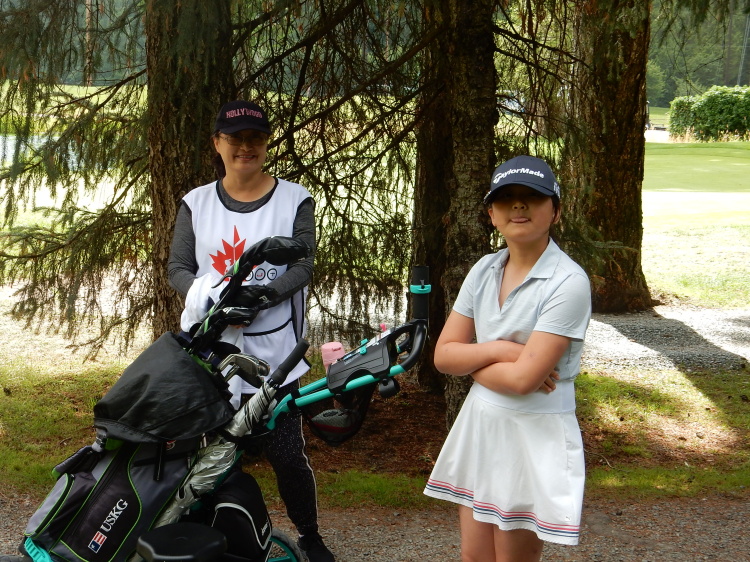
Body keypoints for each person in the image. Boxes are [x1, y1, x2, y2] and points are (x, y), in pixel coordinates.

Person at [168, 100, 335, 562]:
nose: (246, 147)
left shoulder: (294, 199)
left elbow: (303, 264)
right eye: (235, 138)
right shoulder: (196, 203)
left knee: (286, 452)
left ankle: (309, 535)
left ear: (266, 143)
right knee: (208, 451)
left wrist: (261, 297)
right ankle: (205, 531)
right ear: (217, 143)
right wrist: (216, 301)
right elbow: (178, 267)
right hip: (212, 351)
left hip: (274, 352)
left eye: (255, 138)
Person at [424, 155, 591, 561]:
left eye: (532, 196)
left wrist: (471, 360)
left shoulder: (568, 281)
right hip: (482, 422)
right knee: (474, 556)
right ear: (491, 214)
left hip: (533, 431)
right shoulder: (484, 269)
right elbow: (442, 356)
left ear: (555, 211)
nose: (518, 205)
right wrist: (503, 351)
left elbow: (523, 382)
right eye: (506, 197)